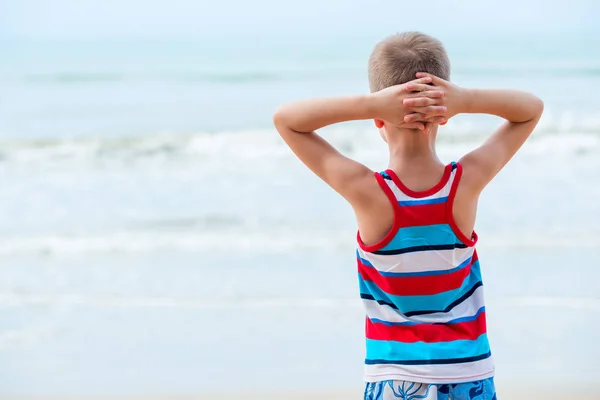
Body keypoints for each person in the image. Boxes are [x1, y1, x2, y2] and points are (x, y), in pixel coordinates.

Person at [272, 32, 543, 400]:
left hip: (394, 380)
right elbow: (531, 109)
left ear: (378, 121)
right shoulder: (465, 183)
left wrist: (371, 104)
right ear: (443, 116)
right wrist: (463, 100)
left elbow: (287, 120)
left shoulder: (366, 191)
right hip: (468, 374)